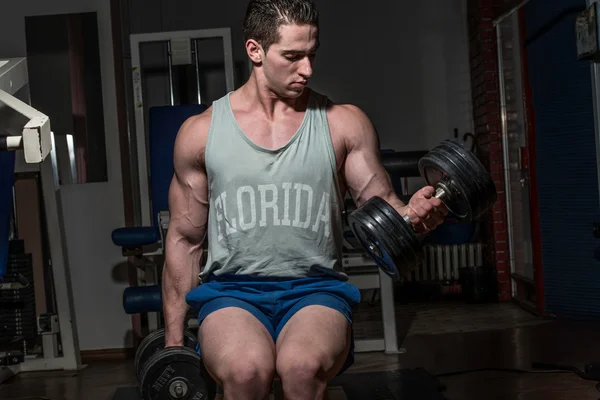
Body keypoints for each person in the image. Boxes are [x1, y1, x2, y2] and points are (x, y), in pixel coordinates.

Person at [161, 0, 448, 398]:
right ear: (255, 51)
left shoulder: (342, 123)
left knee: (301, 367)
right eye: (293, 56)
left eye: (312, 55)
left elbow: (381, 206)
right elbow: (184, 239)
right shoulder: (200, 133)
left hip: (316, 290)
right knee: (246, 372)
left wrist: (413, 215)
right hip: (231, 292)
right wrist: (173, 342)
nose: (308, 70)